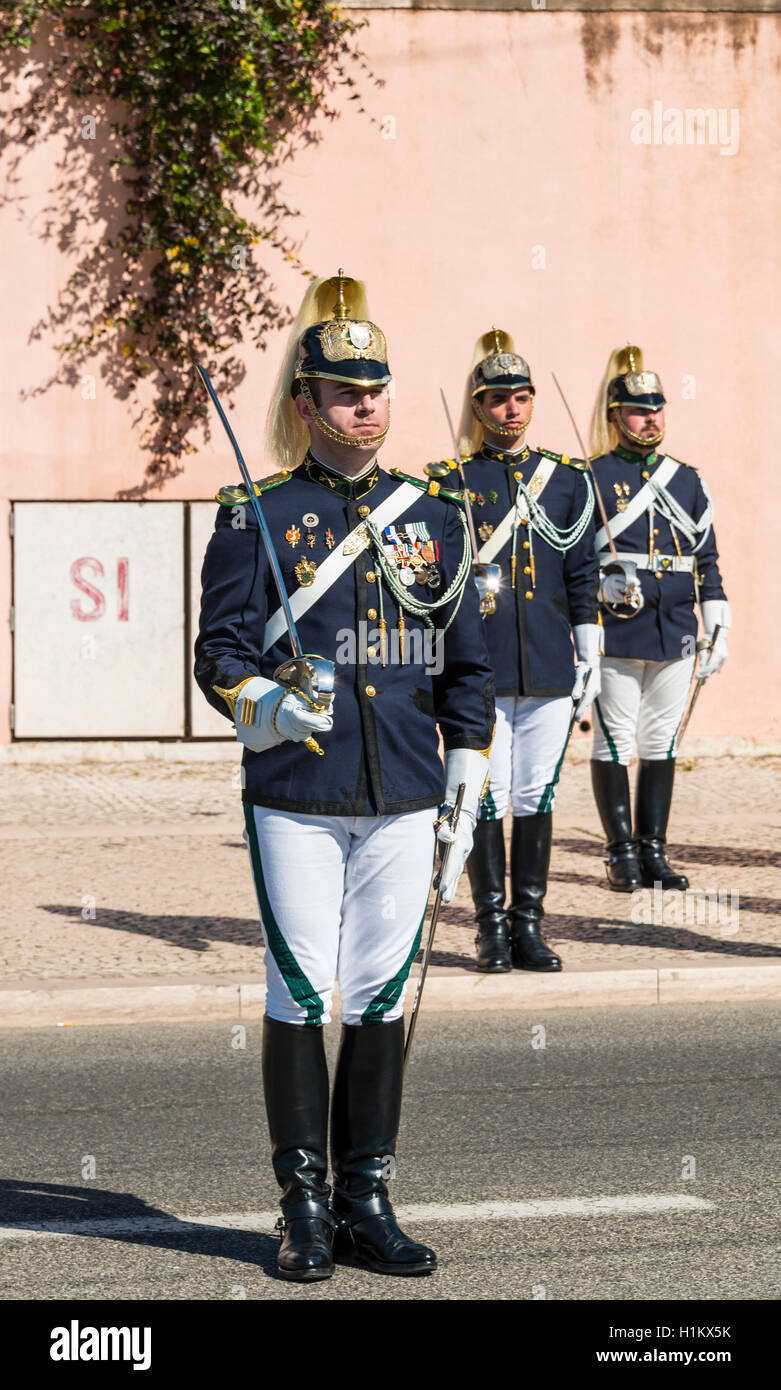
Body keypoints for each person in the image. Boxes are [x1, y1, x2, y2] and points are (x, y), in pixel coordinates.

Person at [194, 274, 495, 1282]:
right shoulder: (258, 517)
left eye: (377, 388)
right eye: (343, 391)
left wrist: (472, 759)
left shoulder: (435, 512)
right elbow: (219, 652)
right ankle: (303, 1207)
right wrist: (269, 708)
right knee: (301, 986)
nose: (366, 404)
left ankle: (367, 1196)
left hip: (407, 788)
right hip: (299, 795)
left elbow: (466, 655)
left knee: (379, 993)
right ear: (305, 405)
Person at [427, 332, 600, 974]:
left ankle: (529, 925)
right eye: (497, 400)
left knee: (536, 796)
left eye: (521, 397)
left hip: (551, 666)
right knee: (486, 794)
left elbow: (581, 571)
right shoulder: (450, 484)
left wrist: (590, 650)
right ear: (478, 408)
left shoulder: (565, 482)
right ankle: (489, 928)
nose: (511, 410)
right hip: (483, 670)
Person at [588, 345, 730, 891]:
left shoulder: (688, 480)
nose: (651, 418)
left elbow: (707, 559)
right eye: (638, 410)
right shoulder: (593, 476)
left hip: (675, 629)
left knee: (662, 742)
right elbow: (578, 561)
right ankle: (621, 853)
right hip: (616, 629)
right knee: (615, 741)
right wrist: (600, 589)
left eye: (657, 408)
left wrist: (717, 621)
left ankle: (654, 850)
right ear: (616, 416)